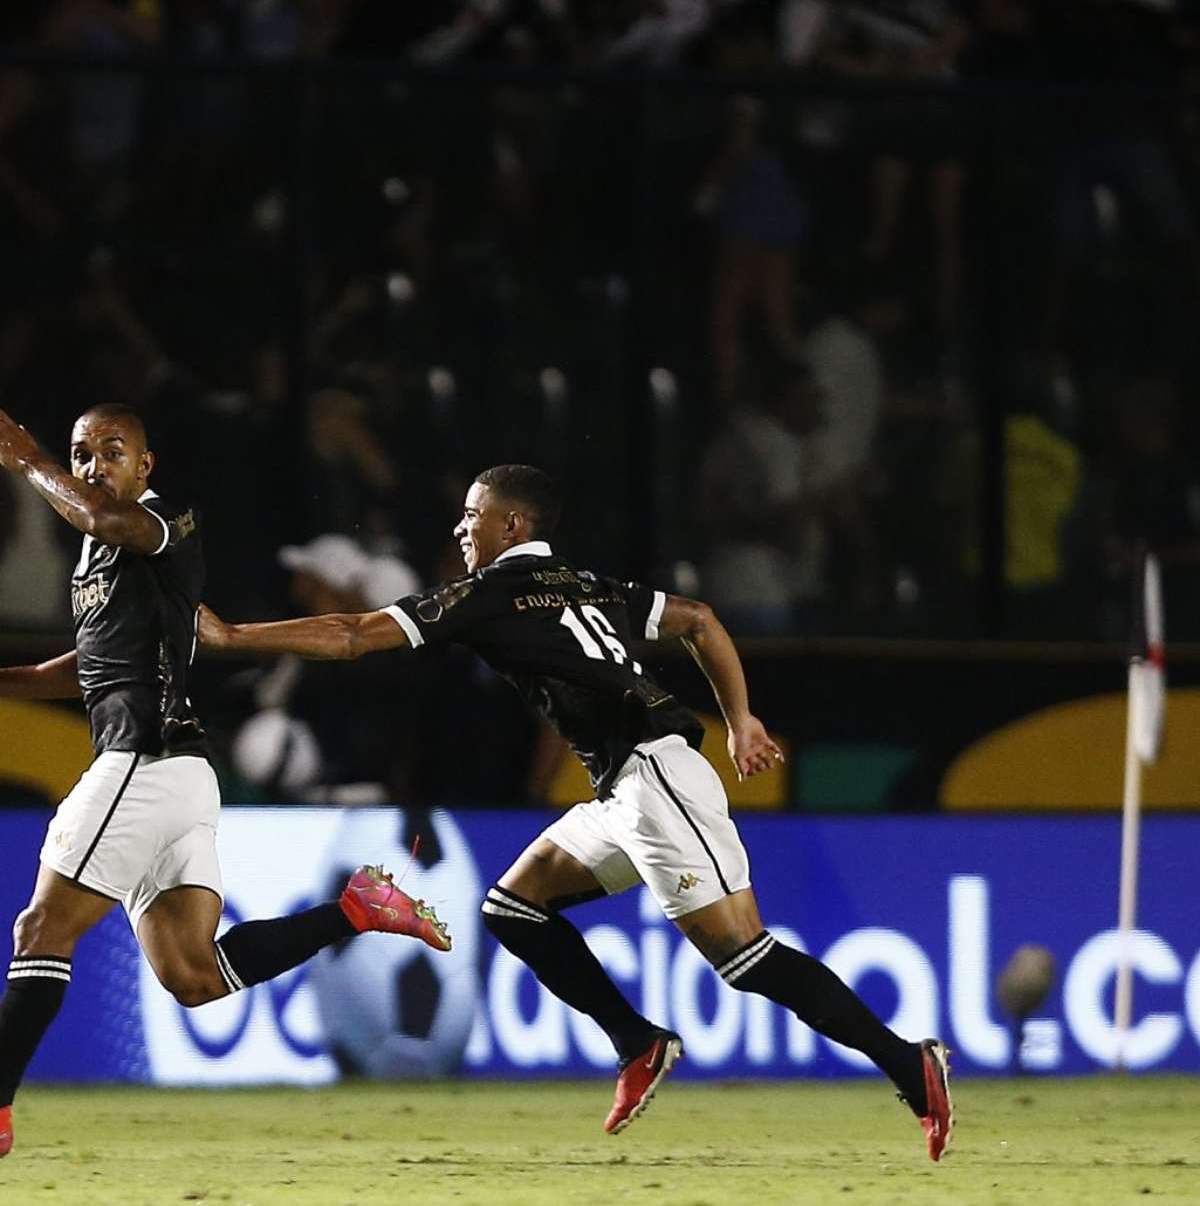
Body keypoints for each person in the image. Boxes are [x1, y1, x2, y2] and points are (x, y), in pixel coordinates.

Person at [199, 463, 955, 1158]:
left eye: (474, 515)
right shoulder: (590, 584)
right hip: (626, 787)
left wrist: (234, 636)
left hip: (657, 782)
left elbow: (354, 633)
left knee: (743, 956)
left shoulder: (487, 595)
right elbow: (697, 618)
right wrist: (741, 719)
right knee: (512, 908)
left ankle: (908, 1065)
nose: (462, 529)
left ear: (514, 526)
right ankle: (637, 1042)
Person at [0, 402, 451, 1159]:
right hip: (179, 776)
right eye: (80, 454)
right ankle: (357, 910)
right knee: (194, 976)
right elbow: (84, 670)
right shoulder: (101, 555)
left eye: (112, 451)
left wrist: (29, 460)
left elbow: (106, 522)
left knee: (40, 931)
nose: (92, 464)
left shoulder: (159, 522)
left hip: (140, 764)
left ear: (144, 466)